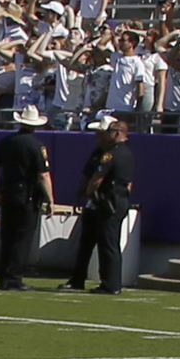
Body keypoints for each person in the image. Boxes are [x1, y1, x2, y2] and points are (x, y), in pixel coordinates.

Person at [70, 110, 136, 290]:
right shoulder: (126, 154)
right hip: (115, 200)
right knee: (102, 242)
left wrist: (89, 193)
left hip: (108, 201)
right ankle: (100, 281)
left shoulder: (111, 154)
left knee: (107, 243)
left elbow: (96, 178)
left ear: (116, 133)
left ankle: (110, 283)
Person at [0, 101, 52, 288]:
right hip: (27, 195)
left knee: (7, 236)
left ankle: (5, 275)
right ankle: (14, 277)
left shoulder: (7, 142)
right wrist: (50, 199)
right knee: (22, 238)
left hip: (7, 192)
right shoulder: (37, 146)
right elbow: (43, 175)